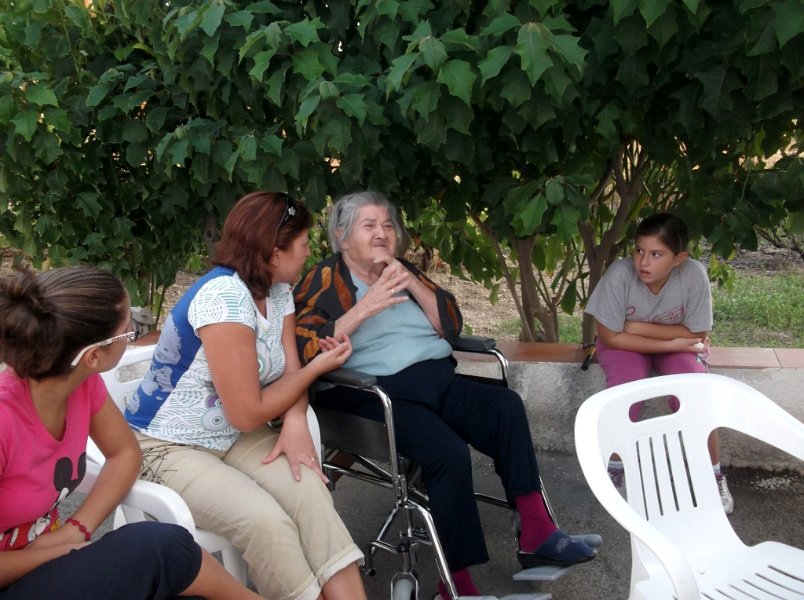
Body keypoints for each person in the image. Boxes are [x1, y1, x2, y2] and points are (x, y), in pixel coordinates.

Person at [295, 191, 596, 599]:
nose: (382, 233)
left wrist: (411, 282)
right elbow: (305, 346)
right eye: (369, 225)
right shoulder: (324, 279)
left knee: (505, 408)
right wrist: (366, 307)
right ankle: (456, 586)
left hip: (437, 380)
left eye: (388, 225)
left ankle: (537, 534)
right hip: (375, 394)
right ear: (342, 236)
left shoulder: (403, 271)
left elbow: (450, 325)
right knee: (447, 452)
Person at [125, 191, 367, 600]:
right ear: (274, 253)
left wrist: (295, 420)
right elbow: (248, 412)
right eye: (303, 244)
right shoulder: (224, 298)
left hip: (232, 434)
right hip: (168, 444)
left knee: (310, 493)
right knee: (266, 522)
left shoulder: (278, 291)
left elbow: (289, 374)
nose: (309, 252)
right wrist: (316, 369)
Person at [0, 265, 261, 600]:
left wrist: (75, 530)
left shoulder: (81, 384)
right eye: (129, 332)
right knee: (159, 548)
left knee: (176, 572)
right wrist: (58, 552)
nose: (134, 336)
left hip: (46, 564)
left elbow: (124, 453)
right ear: (94, 355)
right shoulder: (6, 421)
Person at [584, 212, 732, 514]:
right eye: (639, 250)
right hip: (626, 346)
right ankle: (614, 467)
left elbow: (697, 333)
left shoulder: (693, 275)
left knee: (694, 389)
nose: (643, 262)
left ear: (679, 258)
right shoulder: (620, 274)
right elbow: (610, 337)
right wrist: (670, 342)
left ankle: (712, 474)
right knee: (626, 387)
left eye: (656, 254)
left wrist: (636, 327)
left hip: (663, 343)